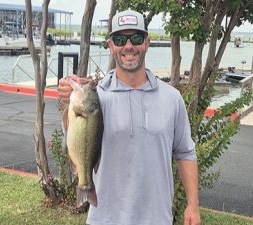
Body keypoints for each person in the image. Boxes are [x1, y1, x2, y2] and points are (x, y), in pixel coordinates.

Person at [58, 9, 201, 225]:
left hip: (157, 219)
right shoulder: (97, 96)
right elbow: (73, 138)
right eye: (120, 39)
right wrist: (69, 100)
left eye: (136, 38)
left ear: (147, 42)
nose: (128, 46)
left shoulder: (172, 98)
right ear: (110, 45)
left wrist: (193, 205)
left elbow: (186, 153)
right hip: (104, 219)